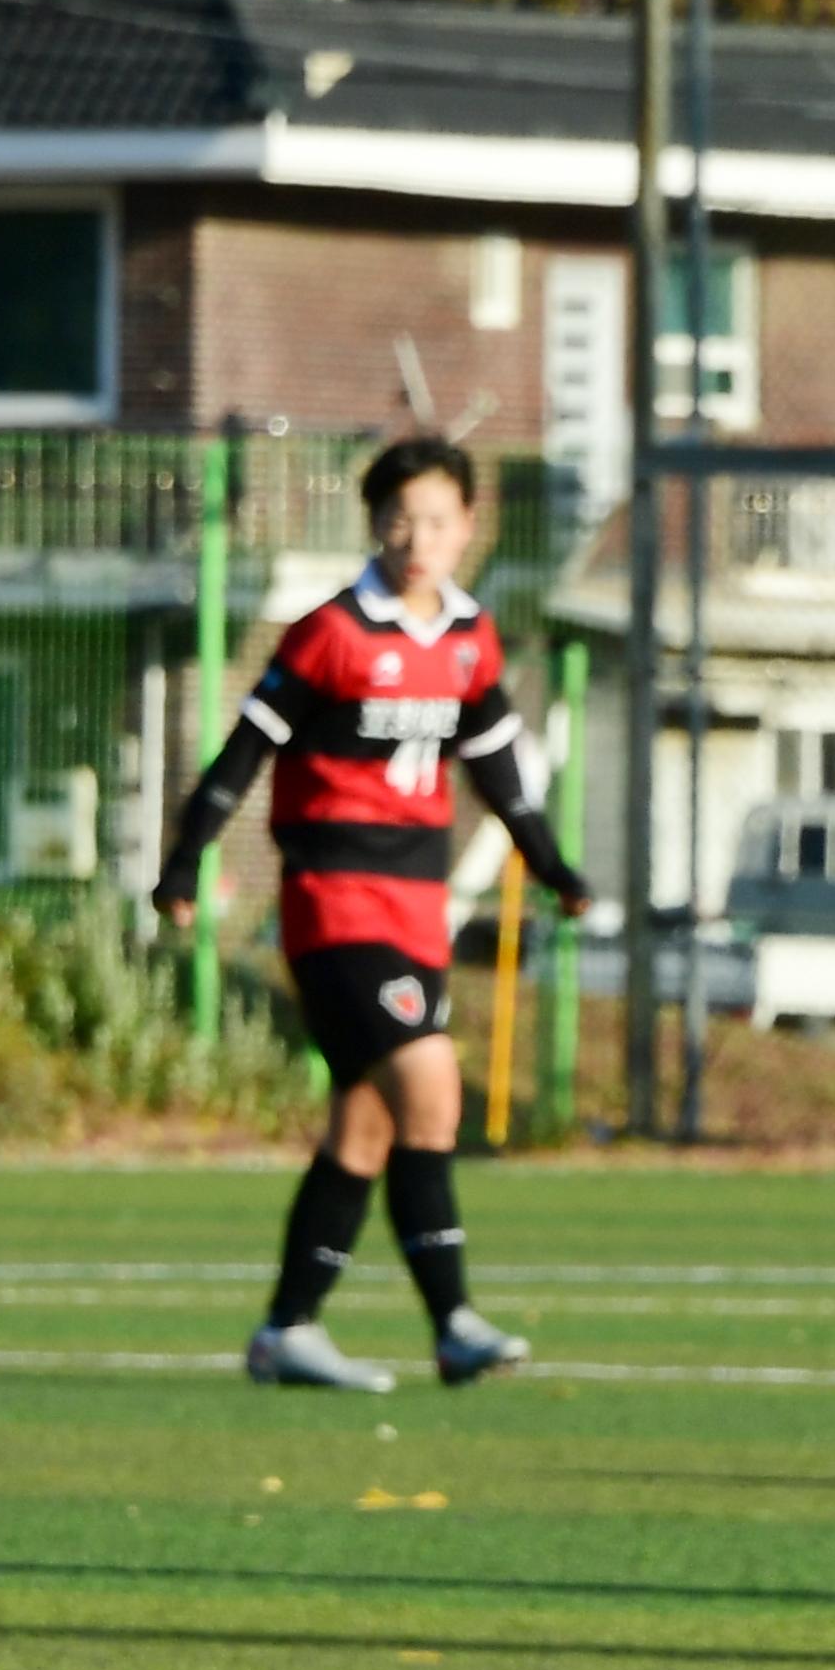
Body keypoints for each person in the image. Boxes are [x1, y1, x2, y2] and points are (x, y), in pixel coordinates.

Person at [151, 433, 591, 1392]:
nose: (415, 537)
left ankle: (287, 1332)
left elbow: (501, 776)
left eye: (435, 519)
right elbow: (242, 752)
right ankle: (454, 1324)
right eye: (398, 519)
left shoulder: (472, 638)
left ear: (467, 527)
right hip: (333, 904)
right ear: (373, 525)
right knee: (431, 1088)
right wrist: (185, 860)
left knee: (366, 1126)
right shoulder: (334, 633)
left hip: (417, 906)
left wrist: (552, 865)